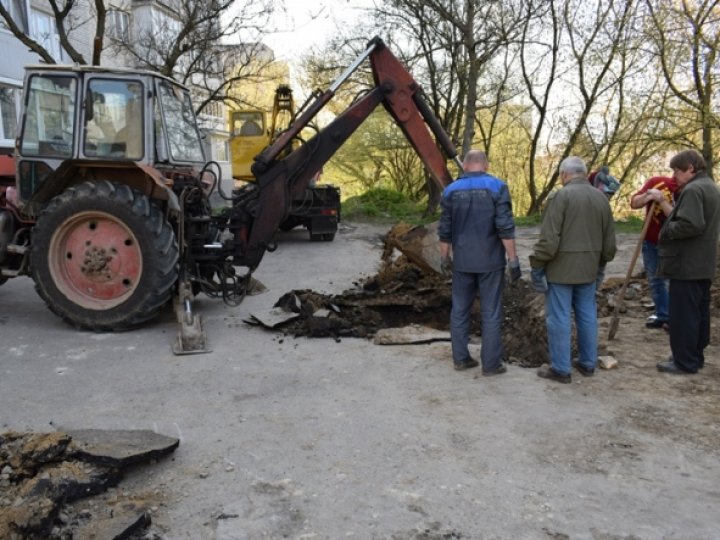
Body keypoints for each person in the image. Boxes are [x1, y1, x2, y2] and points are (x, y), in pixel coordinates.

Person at [529, 156, 616, 383]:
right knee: (587, 314)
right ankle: (588, 363)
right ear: (585, 174)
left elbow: (549, 240)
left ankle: (560, 369)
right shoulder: (601, 199)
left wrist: (537, 264)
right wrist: (601, 265)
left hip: (561, 270)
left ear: (564, 174)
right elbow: (609, 242)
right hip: (588, 269)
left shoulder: (561, 196)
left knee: (559, 317)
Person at [438, 150, 520, 375]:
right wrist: (513, 259)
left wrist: (444, 259)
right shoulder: (497, 187)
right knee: (491, 311)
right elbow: (505, 227)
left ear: (465, 166)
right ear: (486, 165)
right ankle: (491, 365)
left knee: (460, 309)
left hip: (462, 261)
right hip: (491, 262)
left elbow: (445, 230)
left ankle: (461, 359)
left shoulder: (450, 190)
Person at [650, 150, 720, 375]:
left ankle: (684, 362)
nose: (674, 176)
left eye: (677, 171)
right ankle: (694, 356)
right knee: (699, 314)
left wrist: (666, 229)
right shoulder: (710, 187)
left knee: (683, 316)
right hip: (702, 263)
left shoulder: (693, 190)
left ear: (690, 168)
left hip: (686, 264)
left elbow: (691, 224)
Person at [630, 175, 678, 329]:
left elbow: (679, 218)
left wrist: (664, 201)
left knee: (672, 280)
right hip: (650, 240)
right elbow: (634, 202)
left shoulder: (687, 189)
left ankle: (675, 316)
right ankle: (662, 314)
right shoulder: (658, 182)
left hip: (673, 243)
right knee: (655, 279)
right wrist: (648, 195)